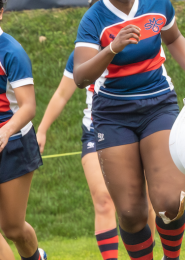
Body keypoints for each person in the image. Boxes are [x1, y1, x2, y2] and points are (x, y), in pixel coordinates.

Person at [73, 0, 185, 260]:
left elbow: (173, 37)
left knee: (170, 202)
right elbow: (80, 77)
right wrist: (112, 48)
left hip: (158, 105)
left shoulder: (157, 5)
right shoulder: (93, 20)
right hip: (113, 115)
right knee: (131, 213)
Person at [36, 49, 156, 260]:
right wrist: (42, 130)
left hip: (134, 125)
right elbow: (62, 94)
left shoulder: (136, 42)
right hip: (95, 129)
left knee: (143, 201)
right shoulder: (82, 52)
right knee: (103, 199)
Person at [0, 0, 45, 260]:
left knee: (13, 228)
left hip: (14, 141)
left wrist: (5, 132)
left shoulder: (11, 51)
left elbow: (28, 106)